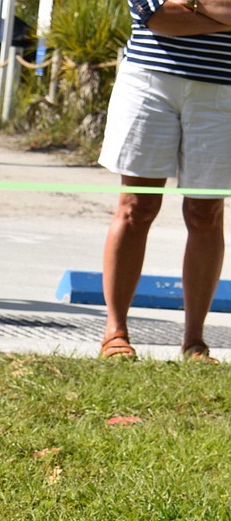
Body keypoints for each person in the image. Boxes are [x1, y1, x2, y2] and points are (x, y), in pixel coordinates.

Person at [98, 0, 231, 361]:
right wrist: (220, 16)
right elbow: (156, 17)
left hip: (222, 89)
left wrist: (193, 6)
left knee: (206, 214)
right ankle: (115, 334)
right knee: (136, 206)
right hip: (148, 83)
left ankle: (195, 341)